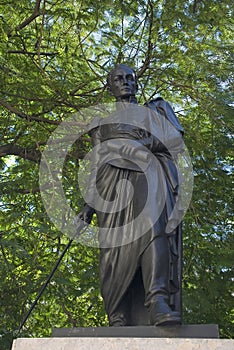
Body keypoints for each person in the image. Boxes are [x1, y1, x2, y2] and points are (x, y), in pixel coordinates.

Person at [78, 64, 184, 326]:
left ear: (136, 83)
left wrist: (138, 147)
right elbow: (95, 164)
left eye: (130, 78)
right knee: (113, 249)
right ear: (110, 85)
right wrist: (88, 205)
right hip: (111, 186)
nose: (125, 82)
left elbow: (174, 140)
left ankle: (157, 299)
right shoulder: (101, 123)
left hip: (148, 175)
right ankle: (118, 313)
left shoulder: (153, 111)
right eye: (118, 79)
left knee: (153, 227)